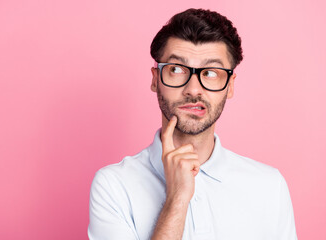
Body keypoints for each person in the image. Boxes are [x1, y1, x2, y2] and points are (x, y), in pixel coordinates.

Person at [88, 8, 297, 240]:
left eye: (210, 72)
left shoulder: (269, 186)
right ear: (155, 79)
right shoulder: (114, 186)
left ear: (230, 86)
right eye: (176, 69)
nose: (193, 90)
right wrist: (177, 198)